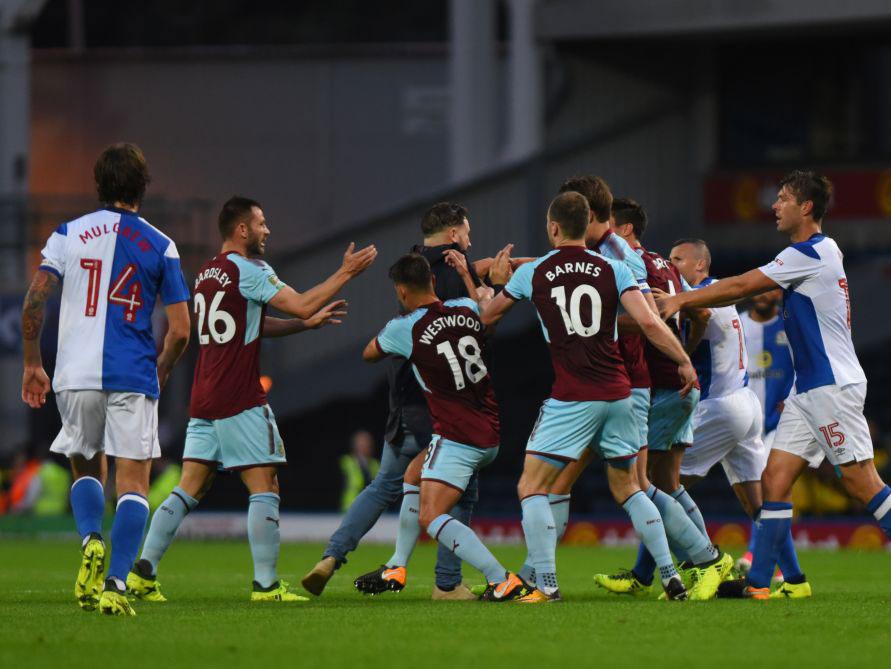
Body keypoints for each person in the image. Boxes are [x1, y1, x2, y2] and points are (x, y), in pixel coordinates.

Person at [657, 170, 891, 599]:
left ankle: (764, 580)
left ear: (805, 208)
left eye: (783, 198)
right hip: (808, 391)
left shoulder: (811, 252)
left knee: (862, 483)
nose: (775, 205)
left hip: (830, 387)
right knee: (775, 482)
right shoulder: (825, 249)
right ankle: (764, 585)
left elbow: (744, 285)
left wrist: (680, 298)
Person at [126, 196, 371, 603]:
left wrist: (300, 327)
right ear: (241, 229)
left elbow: (248, 321)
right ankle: (266, 586)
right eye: (261, 223)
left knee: (189, 488)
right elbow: (301, 300)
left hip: (204, 395)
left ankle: (143, 572)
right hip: (239, 396)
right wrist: (344, 272)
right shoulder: (252, 268)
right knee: (265, 485)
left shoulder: (207, 272)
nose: (267, 230)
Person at [481, 191, 722, 602]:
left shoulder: (535, 272)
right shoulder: (614, 267)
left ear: (554, 227)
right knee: (633, 488)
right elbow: (648, 321)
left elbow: (488, 318)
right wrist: (683, 359)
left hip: (572, 396)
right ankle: (671, 575)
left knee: (531, 487)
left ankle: (546, 585)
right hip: (621, 393)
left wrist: (496, 287)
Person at [303, 202, 511, 600]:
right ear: (453, 235)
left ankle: (335, 556)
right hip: (448, 406)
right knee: (461, 492)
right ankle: (447, 584)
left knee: (385, 484)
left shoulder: (413, 267)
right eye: (466, 233)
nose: (469, 242)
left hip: (404, 402)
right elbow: (485, 323)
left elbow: (373, 350)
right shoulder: (453, 281)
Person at [21, 143, 192, 615]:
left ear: (99, 184)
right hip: (132, 373)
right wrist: (162, 367)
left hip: (74, 374)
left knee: (85, 465)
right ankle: (116, 583)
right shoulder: (161, 244)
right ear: (142, 187)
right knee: (133, 482)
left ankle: (90, 539)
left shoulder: (67, 233)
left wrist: (33, 362)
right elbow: (180, 330)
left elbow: (35, 298)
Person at [357, 253, 524, 601]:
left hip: (457, 435)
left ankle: (501, 579)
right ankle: (397, 565)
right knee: (412, 477)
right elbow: (486, 301)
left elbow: (368, 353)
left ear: (402, 292)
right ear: (433, 282)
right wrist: (472, 276)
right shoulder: (465, 307)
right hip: (488, 427)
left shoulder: (404, 328)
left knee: (431, 516)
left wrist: (397, 327)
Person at [593, 199, 731, 597]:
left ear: (623, 230)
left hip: (665, 386)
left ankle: (706, 562)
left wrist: (597, 326)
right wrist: (686, 352)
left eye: (605, 226)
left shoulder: (629, 267)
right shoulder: (663, 265)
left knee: (645, 485)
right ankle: (658, 571)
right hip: (678, 384)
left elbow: (647, 321)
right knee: (663, 483)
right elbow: (698, 314)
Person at [666, 239, 768, 533]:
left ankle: (693, 563)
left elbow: (702, 316)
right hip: (745, 403)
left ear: (700, 264)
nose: (671, 266)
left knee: (661, 488)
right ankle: (792, 576)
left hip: (718, 406)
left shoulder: (697, 296)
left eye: (677, 259)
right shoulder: (719, 289)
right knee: (757, 506)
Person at [737, 288, 794, 574]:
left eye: (769, 289)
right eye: (759, 288)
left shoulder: (788, 325)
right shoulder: (739, 323)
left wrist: (793, 397)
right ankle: (783, 567)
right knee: (765, 493)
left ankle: (753, 554)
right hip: (745, 422)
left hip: (778, 423)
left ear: (778, 293)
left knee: (772, 489)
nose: (762, 294)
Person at [340, 431, 380, 512]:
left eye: (368, 443)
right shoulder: (346, 462)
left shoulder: (375, 464)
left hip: (372, 509)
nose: (365, 446)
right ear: (355, 445)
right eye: (362, 443)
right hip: (350, 508)